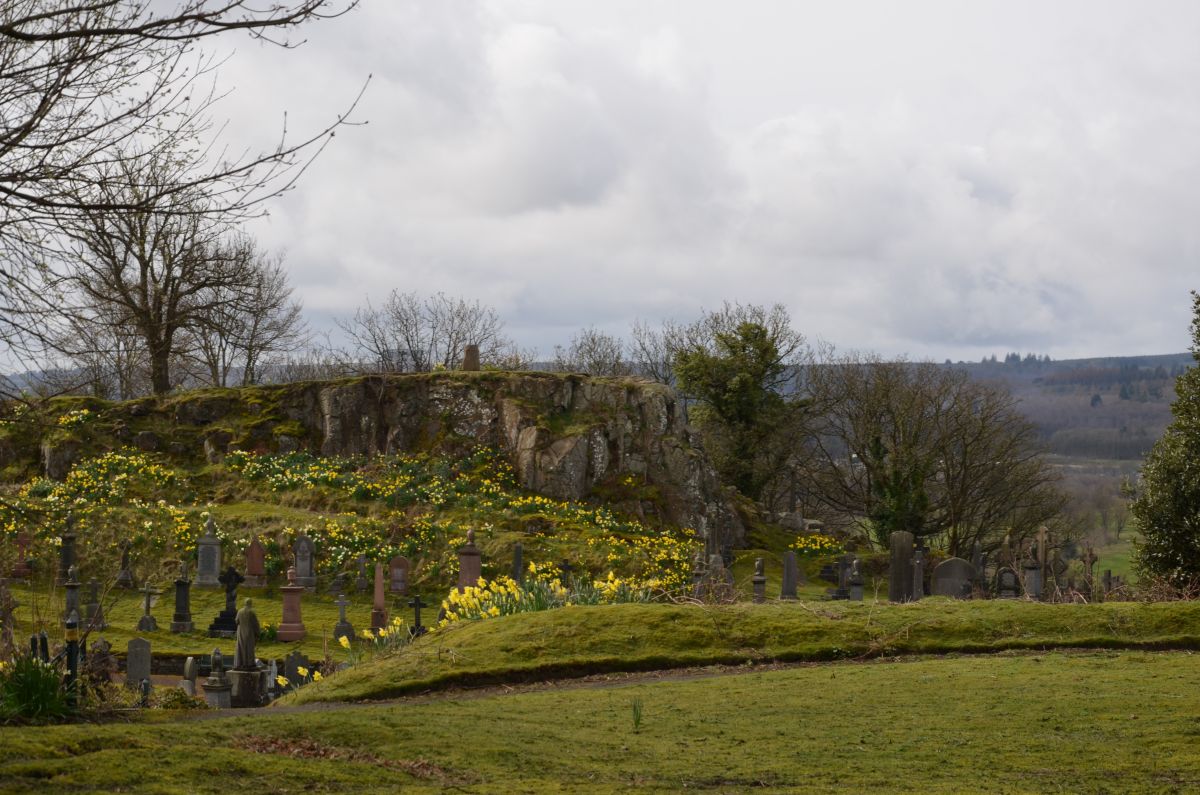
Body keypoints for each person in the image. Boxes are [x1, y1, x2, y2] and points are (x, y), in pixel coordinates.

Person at [234, 598, 260, 670]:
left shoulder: (240, 611)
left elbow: (236, 621)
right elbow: (256, 624)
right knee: (249, 648)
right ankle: (249, 664)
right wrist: (258, 633)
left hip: (241, 632)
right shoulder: (251, 612)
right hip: (249, 633)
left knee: (240, 647)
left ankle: (240, 663)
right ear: (250, 603)